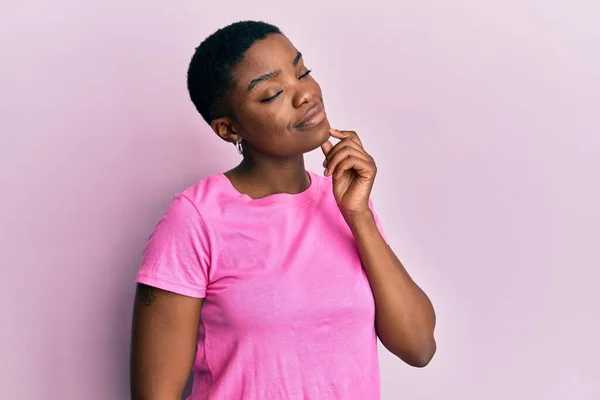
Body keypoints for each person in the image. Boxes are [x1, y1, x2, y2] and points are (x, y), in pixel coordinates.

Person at [130, 20, 436, 400]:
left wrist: (359, 217)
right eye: (273, 93)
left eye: (303, 72)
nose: (304, 94)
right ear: (229, 130)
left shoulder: (347, 203)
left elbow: (419, 347)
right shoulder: (195, 219)